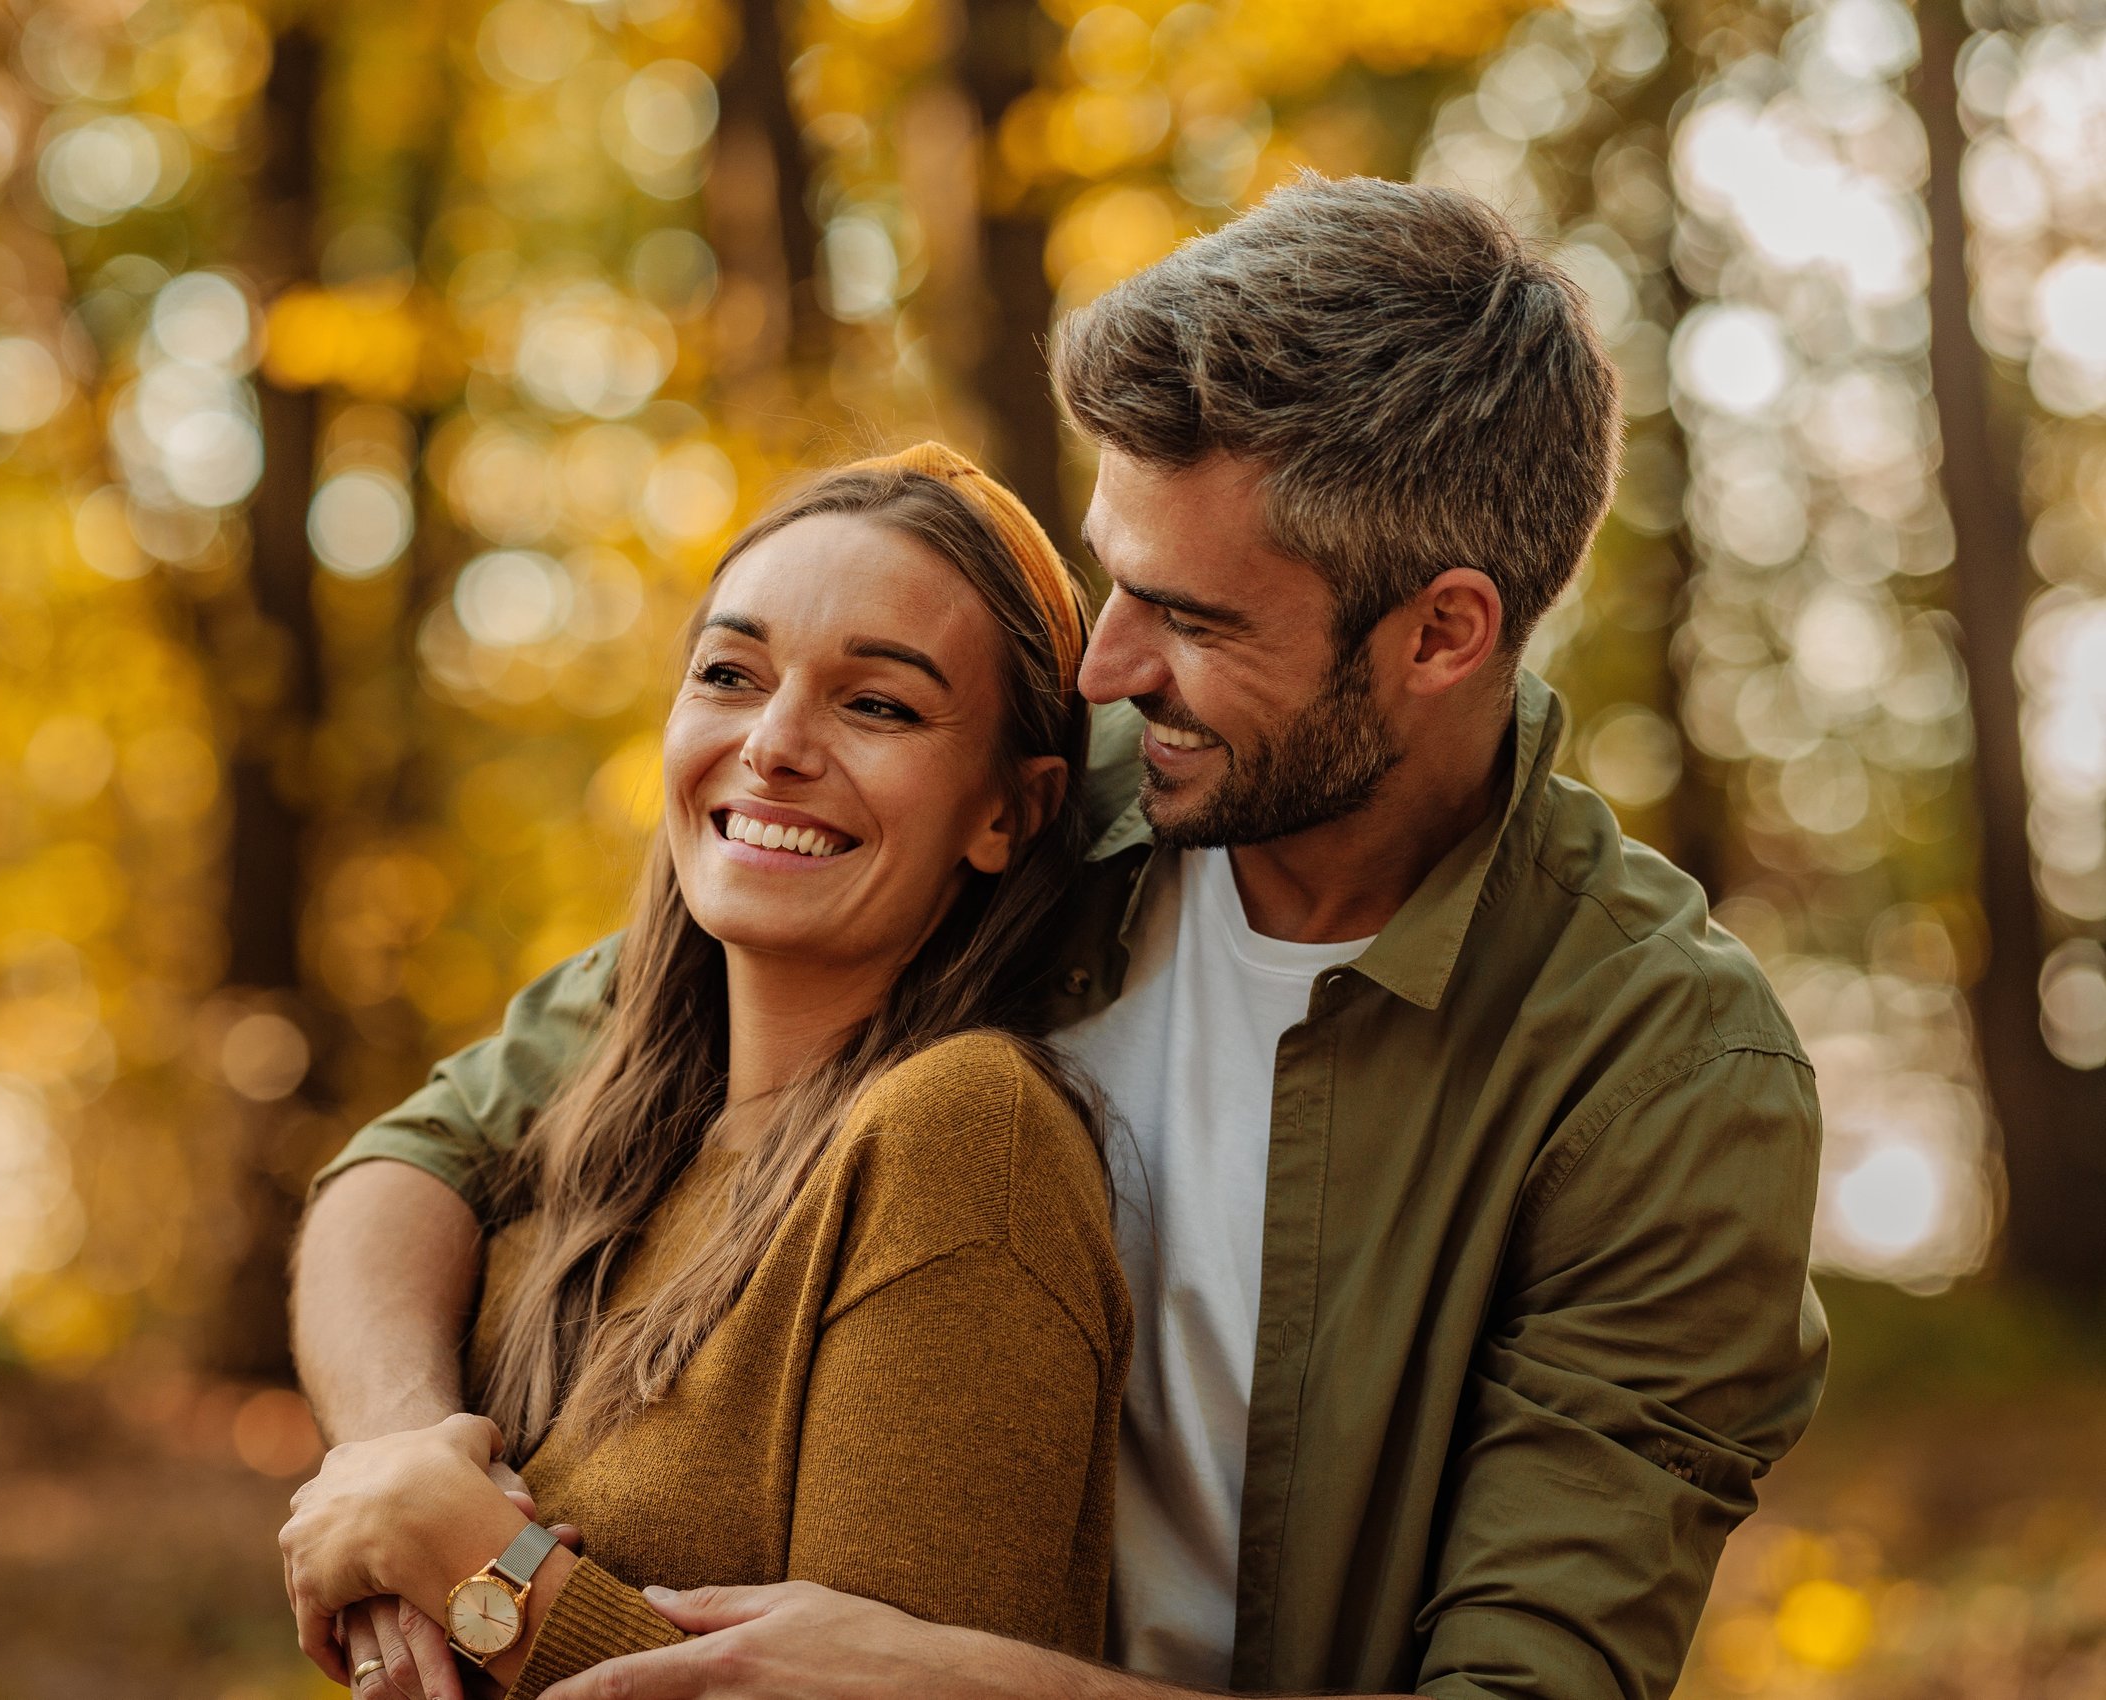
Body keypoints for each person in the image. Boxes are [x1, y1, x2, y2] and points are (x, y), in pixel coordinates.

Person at [292, 174, 1828, 1700]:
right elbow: (436, 1149)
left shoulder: (1665, 1080)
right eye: (1113, 580)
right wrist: (400, 1466)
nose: (1104, 667)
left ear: (1441, 633)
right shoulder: (1045, 807)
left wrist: (964, 1688)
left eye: (1195, 619)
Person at [276, 447, 1129, 1700]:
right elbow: (390, 1172)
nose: (774, 743)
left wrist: (473, 1569)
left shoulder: (962, 1138)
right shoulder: (593, 1126)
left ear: (1010, 809)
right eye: (730, 674)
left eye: (878, 704)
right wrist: (400, 1461)